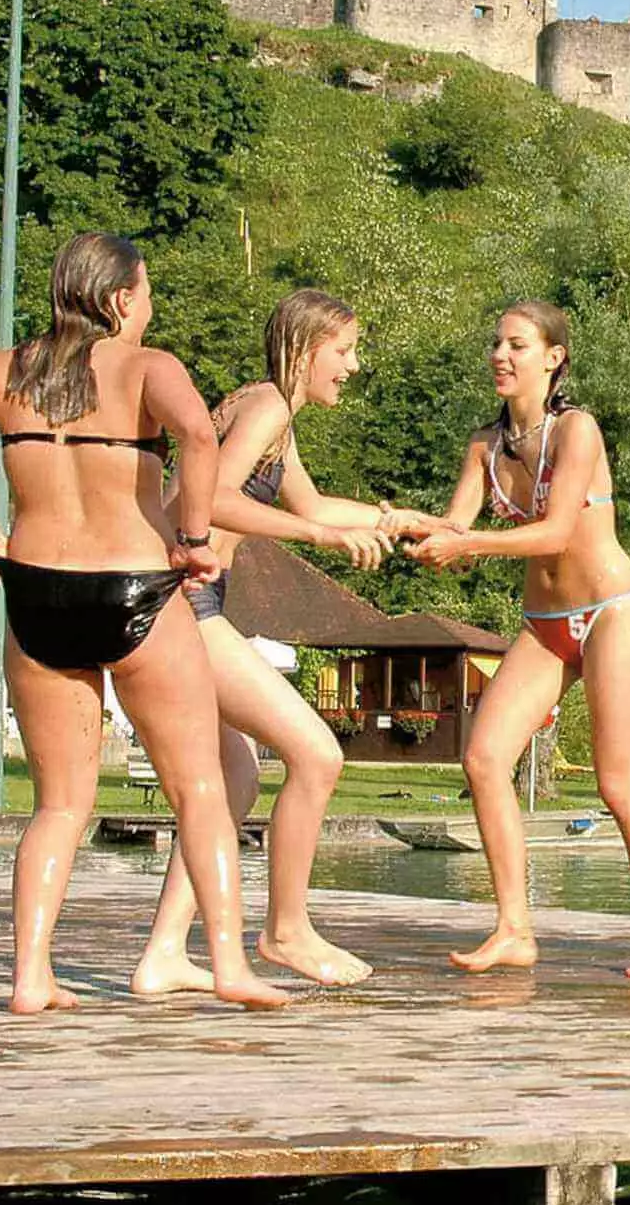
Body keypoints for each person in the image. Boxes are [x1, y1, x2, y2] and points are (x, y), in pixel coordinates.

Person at [0, 231, 289, 1016]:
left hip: (36, 592)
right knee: (201, 786)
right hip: (134, 587)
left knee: (60, 805)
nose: (151, 307)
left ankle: (30, 976)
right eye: (145, 293)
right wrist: (198, 539)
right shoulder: (147, 366)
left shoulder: (12, 369)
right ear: (118, 300)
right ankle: (233, 966)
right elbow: (201, 435)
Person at [130, 288, 429, 999]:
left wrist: (404, 520)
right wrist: (324, 538)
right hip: (184, 604)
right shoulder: (265, 406)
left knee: (232, 779)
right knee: (316, 752)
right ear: (306, 347)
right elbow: (210, 503)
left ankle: (165, 952)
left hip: (188, 603)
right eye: (345, 350)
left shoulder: (272, 417)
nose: (354, 366)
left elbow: (315, 505)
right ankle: (285, 928)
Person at [411, 299, 630, 979]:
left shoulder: (577, 431)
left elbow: (558, 532)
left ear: (554, 358)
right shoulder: (484, 444)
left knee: (617, 780)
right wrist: (400, 527)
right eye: (496, 344)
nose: (500, 356)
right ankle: (513, 928)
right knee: (482, 759)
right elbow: (457, 529)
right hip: (544, 626)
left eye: (517, 345)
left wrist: (468, 542)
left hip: (610, 613)